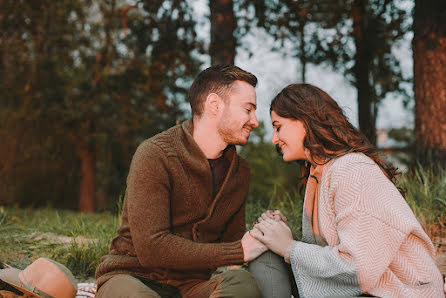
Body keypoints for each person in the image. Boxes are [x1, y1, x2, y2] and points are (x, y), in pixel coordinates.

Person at [247, 83, 444, 298]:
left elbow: (360, 269)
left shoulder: (352, 170)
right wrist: (281, 235)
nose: (274, 139)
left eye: (278, 127)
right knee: (265, 249)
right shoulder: (320, 173)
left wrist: (289, 247)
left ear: (304, 121)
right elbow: (330, 253)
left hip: (401, 292)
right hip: (364, 291)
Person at [95, 64, 267, 297]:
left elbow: (232, 243)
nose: (254, 121)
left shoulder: (239, 171)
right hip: (134, 277)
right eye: (248, 109)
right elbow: (152, 249)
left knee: (242, 283)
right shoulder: (156, 154)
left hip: (191, 287)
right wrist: (238, 251)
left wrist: (262, 231)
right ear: (214, 105)